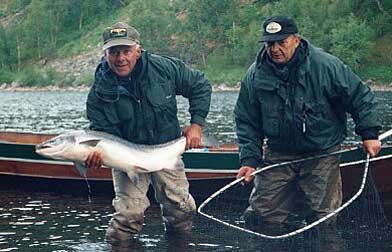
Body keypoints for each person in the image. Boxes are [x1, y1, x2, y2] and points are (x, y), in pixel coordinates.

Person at [234, 16, 381, 230]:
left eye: (281, 42)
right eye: (269, 43)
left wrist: (369, 134)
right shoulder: (255, 75)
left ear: (296, 40)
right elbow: (247, 120)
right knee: (260, 216)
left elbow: (360, 96)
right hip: (279, 152)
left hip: (321, 152)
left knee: (321, 219)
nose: (274, 49)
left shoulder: (325, 65)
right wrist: (249, 159)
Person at [85, 21, 212, 244]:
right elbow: (103, 133)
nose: (120, 58)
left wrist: (196, 124)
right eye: (114, 52)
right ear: (105, 54)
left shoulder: (163, 68)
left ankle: (179, 246)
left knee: (182, 209)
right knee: (128, 215)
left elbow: (199, 85)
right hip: (127, 159)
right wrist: (98, 155)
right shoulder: (99, 92)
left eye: (126, 51)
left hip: (166, 151)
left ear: (138, 50)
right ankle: (118, 247)